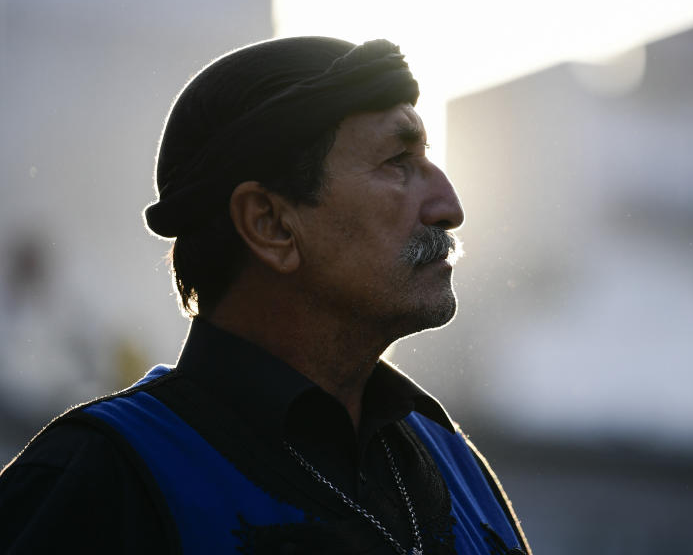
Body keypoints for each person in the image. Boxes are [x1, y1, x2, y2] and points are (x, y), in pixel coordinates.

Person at [0, 37, 531, 555]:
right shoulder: (100, 483)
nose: (449, 206)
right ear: (271, 224)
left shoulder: (454, 462)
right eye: (397, 162)